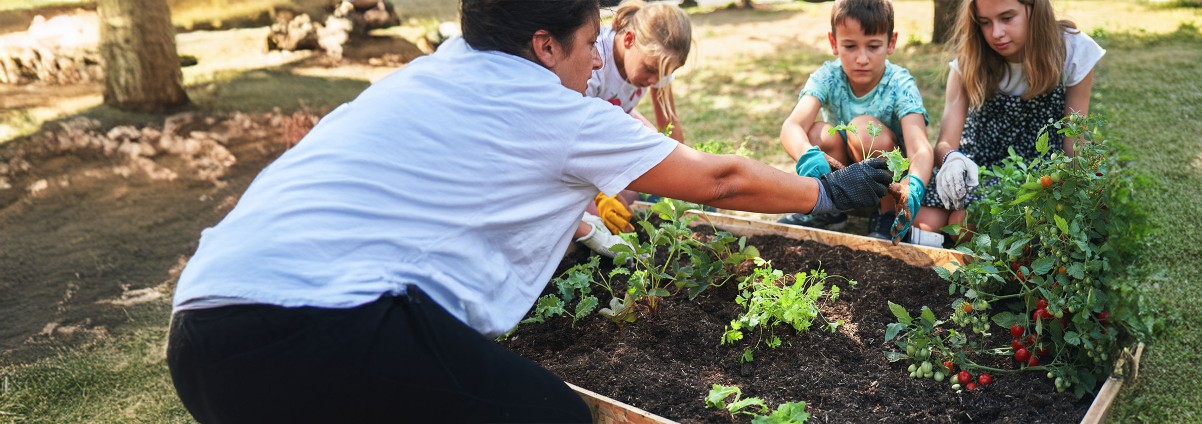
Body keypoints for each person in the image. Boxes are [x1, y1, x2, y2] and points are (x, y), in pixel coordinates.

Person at [163, 1, 892, 422]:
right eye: (584, 48)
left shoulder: (428, 74)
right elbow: (722, 181)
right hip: (304, 329)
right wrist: (829, 194)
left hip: (202, 329)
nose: (590, 67)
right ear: (544, 46)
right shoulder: (547, 105)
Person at [912, 0, 1104, 246]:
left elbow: (1075, 143)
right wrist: (951, 158)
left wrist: (1080, 196)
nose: (996, 33)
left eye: (1007, 18)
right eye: (985, 22)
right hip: (973, 166)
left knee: (962, 224)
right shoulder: (973, 54)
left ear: (1034, 8)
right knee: (924, 221)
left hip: (1029, 173)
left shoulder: (1072, 50)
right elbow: (946, 141)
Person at [777, 0, 936, 244]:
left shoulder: (899, 84)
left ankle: (886, 214)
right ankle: (830, 207)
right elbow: (792, 127)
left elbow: (920, 148)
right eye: (850, 46)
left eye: (873, 46)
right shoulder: (828, 77)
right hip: (844, 173)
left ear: (891, 42)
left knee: (865, 130)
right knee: (817, 133)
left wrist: (913, 185)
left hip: (888, 183)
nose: (862, 58)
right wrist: (807, 153)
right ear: (833, 43)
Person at [574, 0, 695, 257]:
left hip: (612, 128)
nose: (654, 80)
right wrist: (598, 195)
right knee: (603, 218)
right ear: (628, 39)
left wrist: (688, 177)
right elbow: (575, 139)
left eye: (662, 74)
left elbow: (669, 125)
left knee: (630, 193)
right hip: (580, 142)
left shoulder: (656, 62)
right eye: (650, 70)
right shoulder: (595, 62)